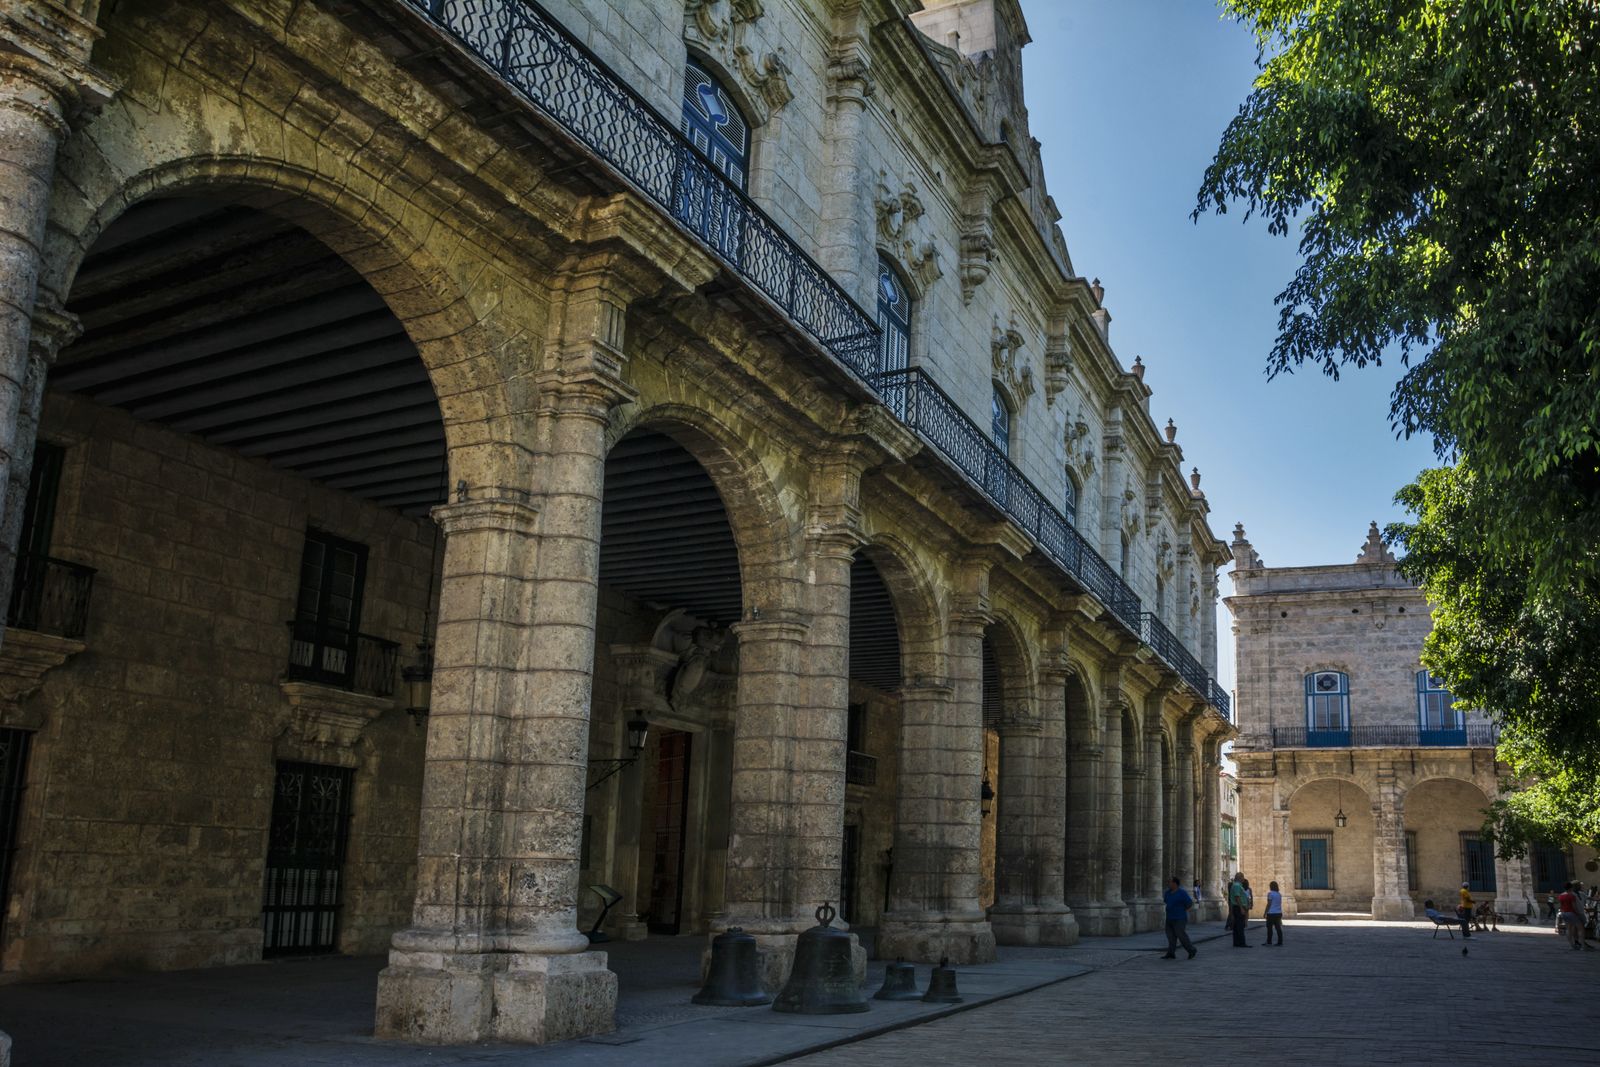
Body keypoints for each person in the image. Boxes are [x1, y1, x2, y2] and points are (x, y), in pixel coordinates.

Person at [1161, 876, 1198, 960]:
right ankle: (1171, 953)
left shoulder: (1182, 893)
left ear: (1175, 883)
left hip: (1180, 918)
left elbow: (1189, 903)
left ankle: (1191, 950)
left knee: (1181, 935)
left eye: (1170, 882)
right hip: (1169, 917)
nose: (1168, 884)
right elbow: (1166, 901)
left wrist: (1182, 910)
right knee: (1170, 936)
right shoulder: (1167, 893)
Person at [1557, 882, 1590, 950]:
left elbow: (1561, 906)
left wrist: (1562, 913)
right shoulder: (1571, 896)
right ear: (1571, 888)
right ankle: (1583, 946)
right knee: (1581, 929)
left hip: (1564, 913)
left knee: (1568, 929)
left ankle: (1572, 945)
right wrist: (1577, 913)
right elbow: (1574, 906)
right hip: (1571, 913)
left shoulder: (1561, 896)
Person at [1228, 872, 1250, 947]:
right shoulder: (1237, 886)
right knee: (1240, 926)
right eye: (1243, 877)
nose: (1243, 879)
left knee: (1237, 926)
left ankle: (1236, 942)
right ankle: (1242, 943)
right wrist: (1241, 908)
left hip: (1237, 907)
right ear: (1240, 878)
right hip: (1238, 907)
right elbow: (1237, 897)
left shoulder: (1237, 885)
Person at [1262, 880, 1284, 945]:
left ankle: (1269, 941)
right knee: (1278, 928)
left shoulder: (1270, 894)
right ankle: (1280, 941)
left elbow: (1269, 904)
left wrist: (1265, 912)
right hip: (1278, 913)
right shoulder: (1279, 894)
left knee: (1269, 928)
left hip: (1271, 913)